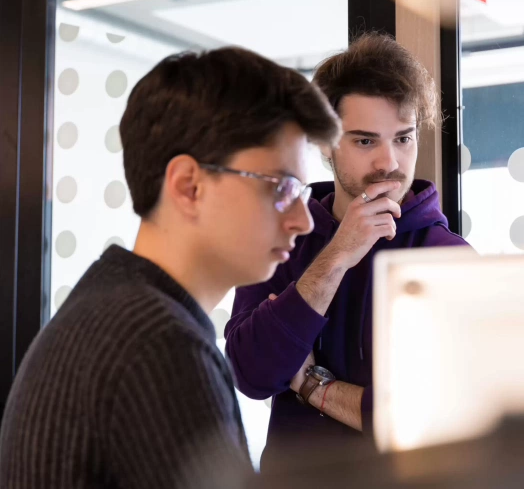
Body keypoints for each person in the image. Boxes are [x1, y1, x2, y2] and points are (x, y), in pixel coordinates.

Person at [0, 48, 340, 489]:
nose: (305, 219)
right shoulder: (160, 348)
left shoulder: (113, 306)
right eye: (281, 187)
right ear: (189, 186)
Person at [225, 33, 470, 472]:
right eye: (364, 141)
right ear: (324, 144)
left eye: (403, 138)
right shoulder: (283, 236)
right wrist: (336, 256)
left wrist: (312, 386)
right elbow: (252, 374)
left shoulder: (448, 258)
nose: (388, 162)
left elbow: (435, 421)